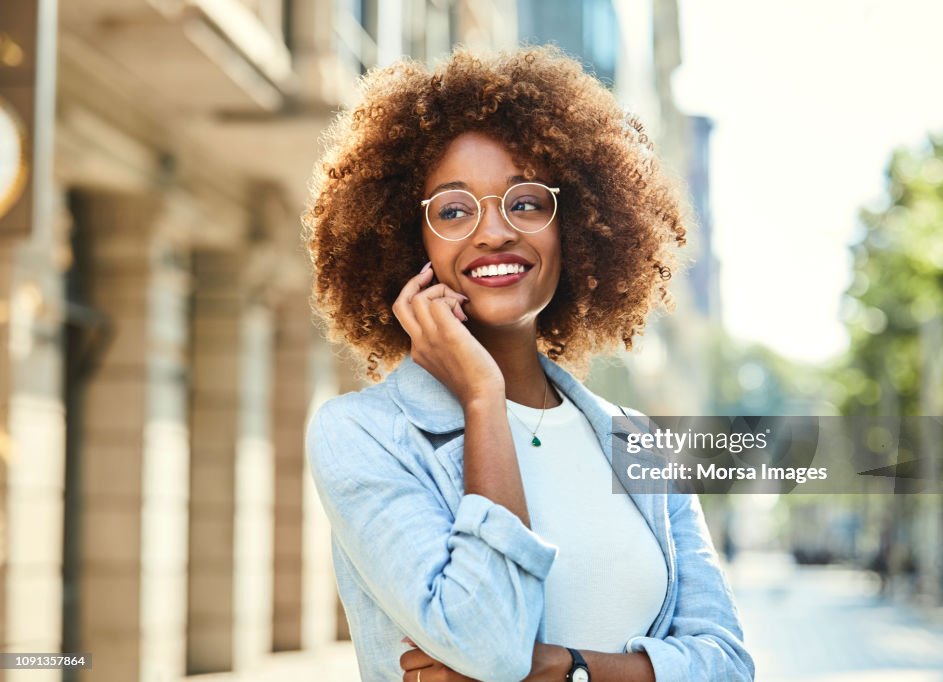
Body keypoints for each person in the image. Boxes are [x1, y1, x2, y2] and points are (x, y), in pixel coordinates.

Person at [303, 46, 755, 682]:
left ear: (572, 225)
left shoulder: (639, 443)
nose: (494, 233)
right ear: (410, 242)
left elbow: (729, 664)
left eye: (526, 202)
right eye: (454, 211)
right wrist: (484, 397)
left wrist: (570, 669)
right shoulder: (364, 434)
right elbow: (489, 644)